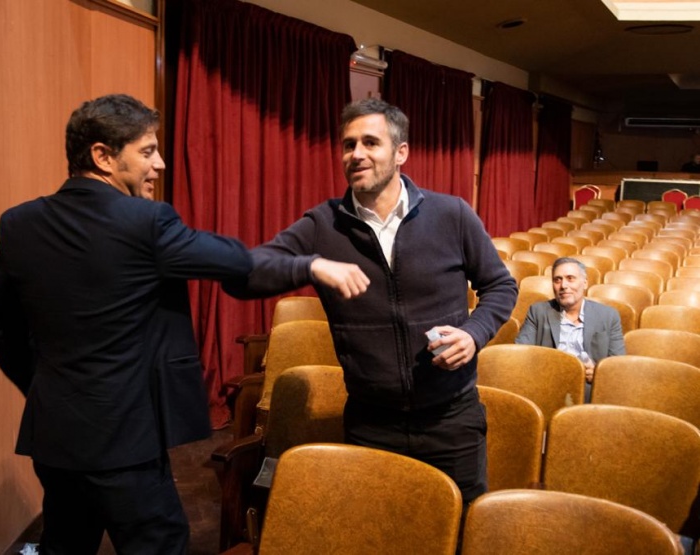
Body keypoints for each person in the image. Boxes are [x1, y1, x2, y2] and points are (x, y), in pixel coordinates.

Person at [0, 94, 252, 555]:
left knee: (66, 541)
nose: (161, 163)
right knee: (159, 543)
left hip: (55, 434)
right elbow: (235, 261)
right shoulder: (145, 220)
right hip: (126, 439)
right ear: (103, 156)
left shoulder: (18, 223)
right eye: (147, 151)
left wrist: (45, 387)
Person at [224, 98, 517, 504]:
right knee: (379, 533)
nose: (356, 154)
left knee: (461, 531)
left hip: (452, 418)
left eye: (369, 143)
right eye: (348, 145)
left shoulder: (452, 214)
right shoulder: (322, 225)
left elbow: (501, 287)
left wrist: (474, 334)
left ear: (401, 153)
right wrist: (310, 266)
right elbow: (244, 274)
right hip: (371, 422)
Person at [515, 257, 625, 402]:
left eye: (570, 278)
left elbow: (617, 366)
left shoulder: (608, 316)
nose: (563, 285)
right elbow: (520, 355)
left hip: (589, 389)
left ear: (585, 283)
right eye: (557, 280)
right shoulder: (538, 312)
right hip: (546, 385)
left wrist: (599, 372)